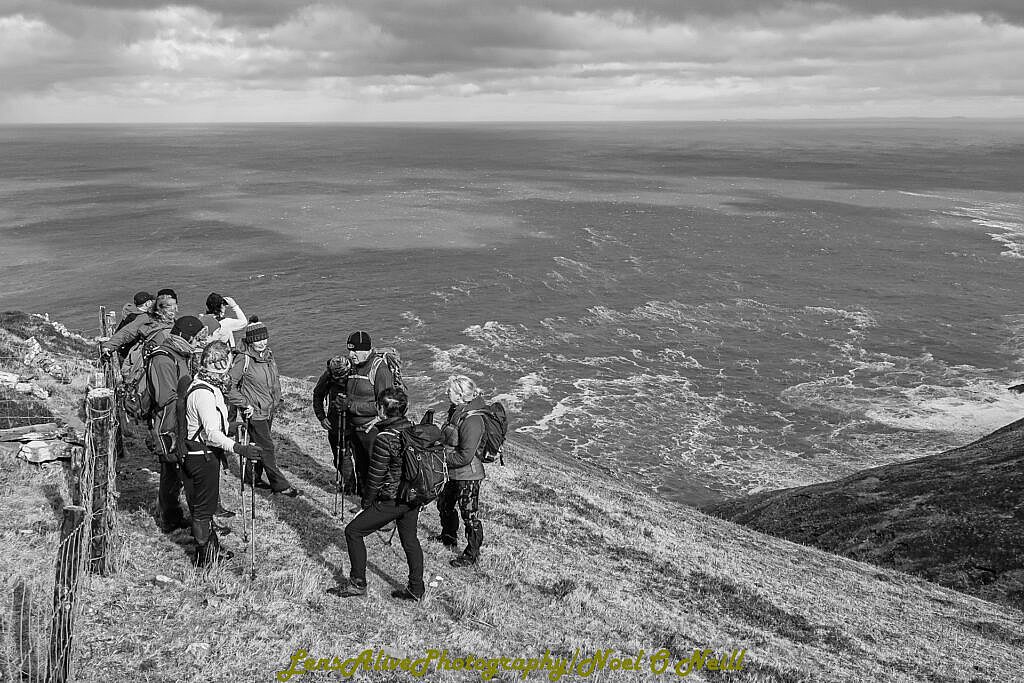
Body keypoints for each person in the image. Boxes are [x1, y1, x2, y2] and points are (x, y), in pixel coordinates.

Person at [337, 388, 425, 600]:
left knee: (353, 532)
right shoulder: (411, 428)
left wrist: (366, 503)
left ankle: (358, 583)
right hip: (412, 496)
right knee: (410, 541)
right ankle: (416, 589)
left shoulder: (384, 437)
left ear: (381, 410)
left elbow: (375, 477)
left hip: (393, 498)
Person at [182, 341, 262, 566]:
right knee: (203, 509)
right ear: (220, 363)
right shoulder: (205, 393)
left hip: (204, 454)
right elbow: (211, 434)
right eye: (228, 358)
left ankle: (212, 548)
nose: (231, 362)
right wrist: (240, 449)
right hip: (202, 456)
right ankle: (204, 557)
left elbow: (212, 426)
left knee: (204, 507)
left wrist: (233, 427)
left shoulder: (208, 385)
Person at [225, 317, 301, 497]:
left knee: (258, 444)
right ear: (250, 340)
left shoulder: (268, 354)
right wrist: (244, 404)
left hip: (268, 409)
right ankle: (280, 485)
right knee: (267, 448)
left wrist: (276, 399)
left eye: (264, 338)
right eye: (257, 339)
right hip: (255, 411)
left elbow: (273, 380)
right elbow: (228, 386)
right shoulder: (243, 359)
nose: (261, 342)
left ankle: (252, 476)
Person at [149, 315, 208, 533]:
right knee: (171, 470)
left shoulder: (179, 354)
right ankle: (171, 518)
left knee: (177, 470)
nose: (197, 343)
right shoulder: (163, 359)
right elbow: (166, 397)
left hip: (180, 420)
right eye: (196, 338)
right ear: (185, 335)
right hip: (170, 424)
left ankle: (176, 515)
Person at [437, 374, 487, 567]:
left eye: (449, 390)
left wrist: (442, 459)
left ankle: (471, 554)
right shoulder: (456, 410)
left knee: (469, 514)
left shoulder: (472, 420)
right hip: (453, 471)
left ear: (459, 395)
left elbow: (465, 456)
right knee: (445, 504)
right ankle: (448, 536)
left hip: (469, 474)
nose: (445, 392)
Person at [342, 331, 395, 495]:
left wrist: (351, 405)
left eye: (355, 351)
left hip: (373, 430)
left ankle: (378, 506)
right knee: (361, 467)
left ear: (366, 350)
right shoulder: (353, 367)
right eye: (349, 350)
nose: (351, 355)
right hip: (355, 429)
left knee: (376, 470)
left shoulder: (380, 369)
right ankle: (364, 504)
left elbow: (387, 405)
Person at [101, 292, 177, 360]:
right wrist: (109, 345)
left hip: (158, 354)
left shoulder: (134, 314)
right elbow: (128, 332)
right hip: (149, 357)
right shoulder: (145, 318)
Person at [312, 355, 351, 475]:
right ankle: (348, 486)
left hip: (356, 421)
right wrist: (322, 417)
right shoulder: (327, 376)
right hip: (335, 423)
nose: (341, 380)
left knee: (361, 459)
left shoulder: (357, 373)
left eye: (343, 377)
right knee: (340, 458)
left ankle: (361, 489)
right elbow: (318, 395)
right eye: (337, 378)